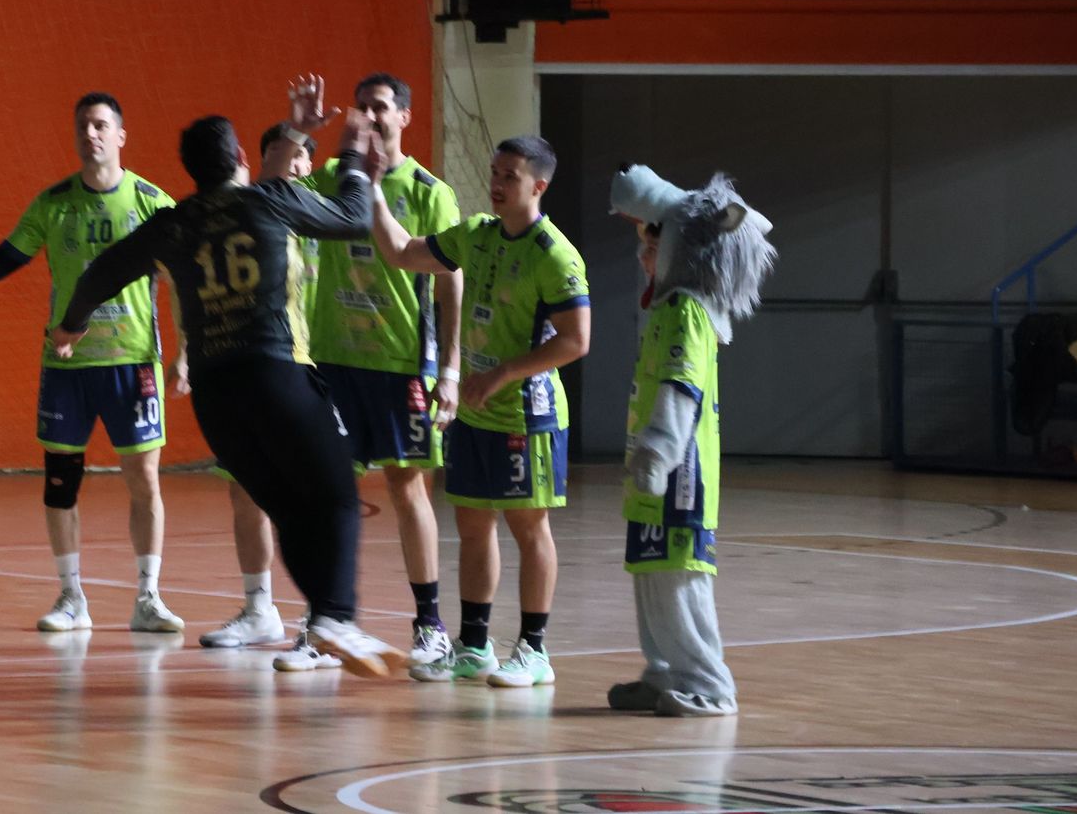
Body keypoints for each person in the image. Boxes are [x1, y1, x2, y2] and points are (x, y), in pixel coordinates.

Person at [50, 106, 407, 677]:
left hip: (216, 397)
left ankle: (320, 620)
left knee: (291, 509)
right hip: (275, 375)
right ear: (241, 160)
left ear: (190, 170)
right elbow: (354, 217)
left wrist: (72, 323)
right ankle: (335, 615)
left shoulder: (174, 222)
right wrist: (354, 165)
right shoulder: (266, 201)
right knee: (338, 495)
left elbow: (99, 272)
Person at [0, 93, 183, 634]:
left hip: (133, 363)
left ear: (121, 136)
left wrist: (185, 355)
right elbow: (4, 258)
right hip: (66, 366)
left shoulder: (154, 203)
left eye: (102, 125)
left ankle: (148, 597)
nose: (92, 134)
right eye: (84, 125)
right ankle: (71, 597)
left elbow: (181, 283)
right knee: (61, 483)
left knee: (144, 480)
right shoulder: (54, 203)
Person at [368, 135, 590, 687]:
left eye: (509, 175)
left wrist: (503, 373)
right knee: (471, 524)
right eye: (494, 172)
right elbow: (400, 253)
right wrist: (369, 188)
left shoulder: (555, 256)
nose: (496, 183)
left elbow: (576, 340)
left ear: (537, 186)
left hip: (526, 415)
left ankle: (535, 651)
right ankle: (473, 645)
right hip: (475, 413)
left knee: (528, 526)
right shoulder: (476, 235)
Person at [274, 73, 463, 669]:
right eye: (363, 108)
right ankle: (326, 626)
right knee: (325, 492)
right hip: (333, 359)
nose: (371, 117)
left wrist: (451, 367)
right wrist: (297, 127)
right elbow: (275, 186)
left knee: (408, 491)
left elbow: (451, 279)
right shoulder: (334, 177)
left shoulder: (431, 191)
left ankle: (430, 624)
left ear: (404, 117)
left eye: (382, 108)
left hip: (400, 362)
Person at [605, 163, 774, 717]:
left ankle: (708, 682)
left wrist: (656, 448)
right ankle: (663, 672)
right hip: (655, 478)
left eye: (651, 246)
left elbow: (682, 386)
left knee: (680, 580)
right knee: (651, 576)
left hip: (681, 475)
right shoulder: (664, 308)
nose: (642, 257)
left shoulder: (688, 311)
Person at [197, 121, 317, 652]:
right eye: (275, 153)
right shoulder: (249, 212)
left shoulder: (324, 210)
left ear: (309, 164)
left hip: (320, 365)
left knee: (315, 495)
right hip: (259, 367)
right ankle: (259, 607)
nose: (286, 162)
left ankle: (321, 616)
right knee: (243, 489)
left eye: (295, 154)